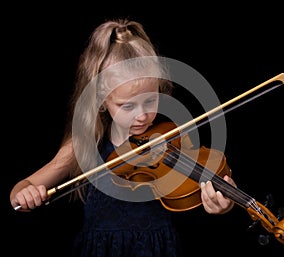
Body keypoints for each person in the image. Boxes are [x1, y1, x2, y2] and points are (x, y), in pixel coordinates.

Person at [10, 18, 236, 257]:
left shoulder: (171, 139)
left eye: (150, 100)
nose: (142, 116)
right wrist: (24, 194)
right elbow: (22, 188)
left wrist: (221, 204)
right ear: (102, 102)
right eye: (127, 106)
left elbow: (199, 199)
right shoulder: (84, 144)